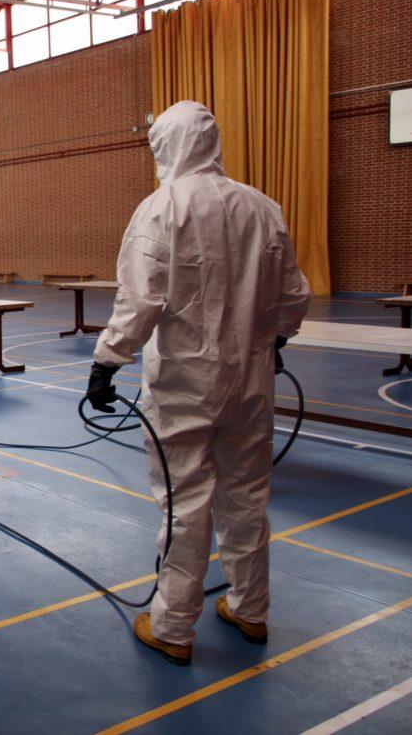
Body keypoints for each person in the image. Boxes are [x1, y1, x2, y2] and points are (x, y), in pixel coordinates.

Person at [85, 101, 311, 665]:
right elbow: (294, 295)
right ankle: (250, 608)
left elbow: (139, 301)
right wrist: (277, 339)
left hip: (184, 385)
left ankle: (172, 626)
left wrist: (105, 363)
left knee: (184, 502)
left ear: (167, 144)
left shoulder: (161, 209)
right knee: (248, 496)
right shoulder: (262, 207)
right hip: (252, 384)